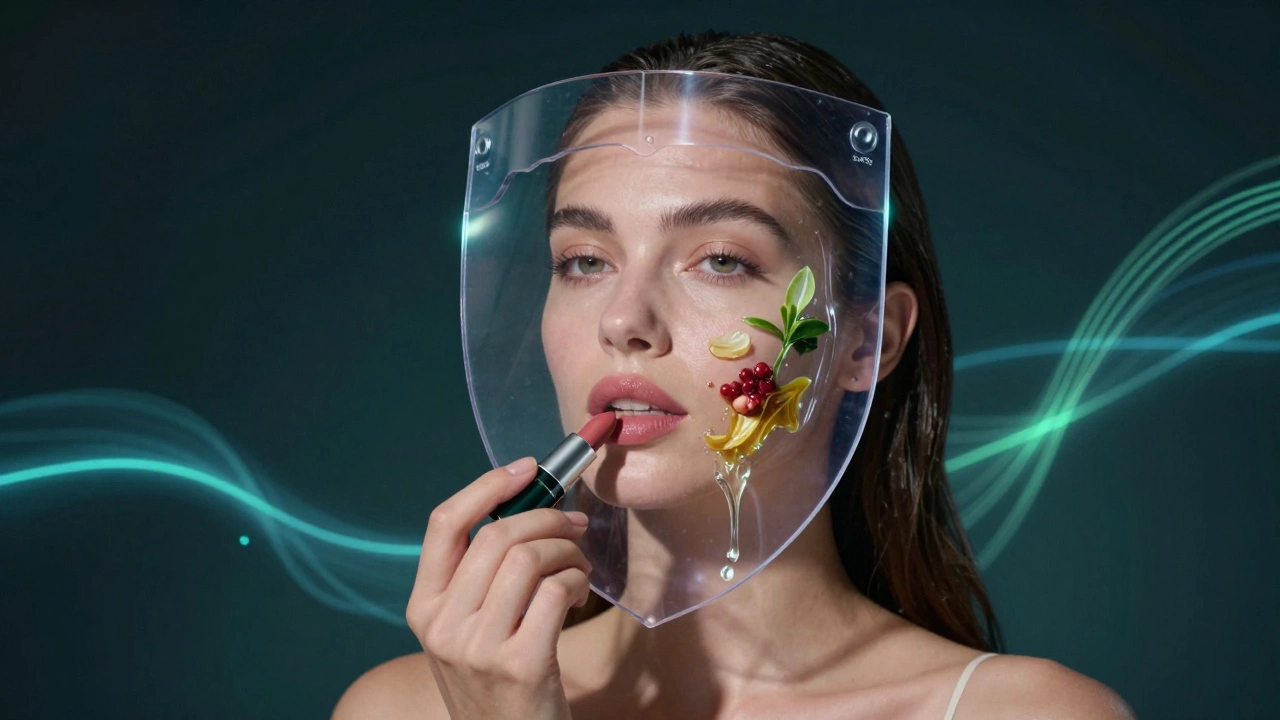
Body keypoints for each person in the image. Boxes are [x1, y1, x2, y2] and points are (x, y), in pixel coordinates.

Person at [334, 31, 1134, 720]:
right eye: (583, 261)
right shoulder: (409, 708)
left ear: (867, 342)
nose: (624, 320)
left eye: (720, 259)